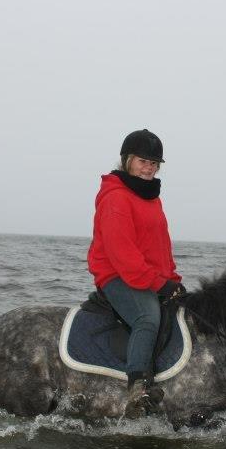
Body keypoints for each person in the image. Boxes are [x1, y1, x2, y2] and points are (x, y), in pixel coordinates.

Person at [87, 129, 186, 416]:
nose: (149, 168)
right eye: (143, 161)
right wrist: (158, 284)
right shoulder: (116, 197)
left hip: (146, 276)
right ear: (126, 160)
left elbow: (160, 247)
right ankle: (137, 388)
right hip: (118, 275)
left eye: (154, 163)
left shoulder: (150, 197)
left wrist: (172, 282)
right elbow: (123, 254)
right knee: (147, 316)